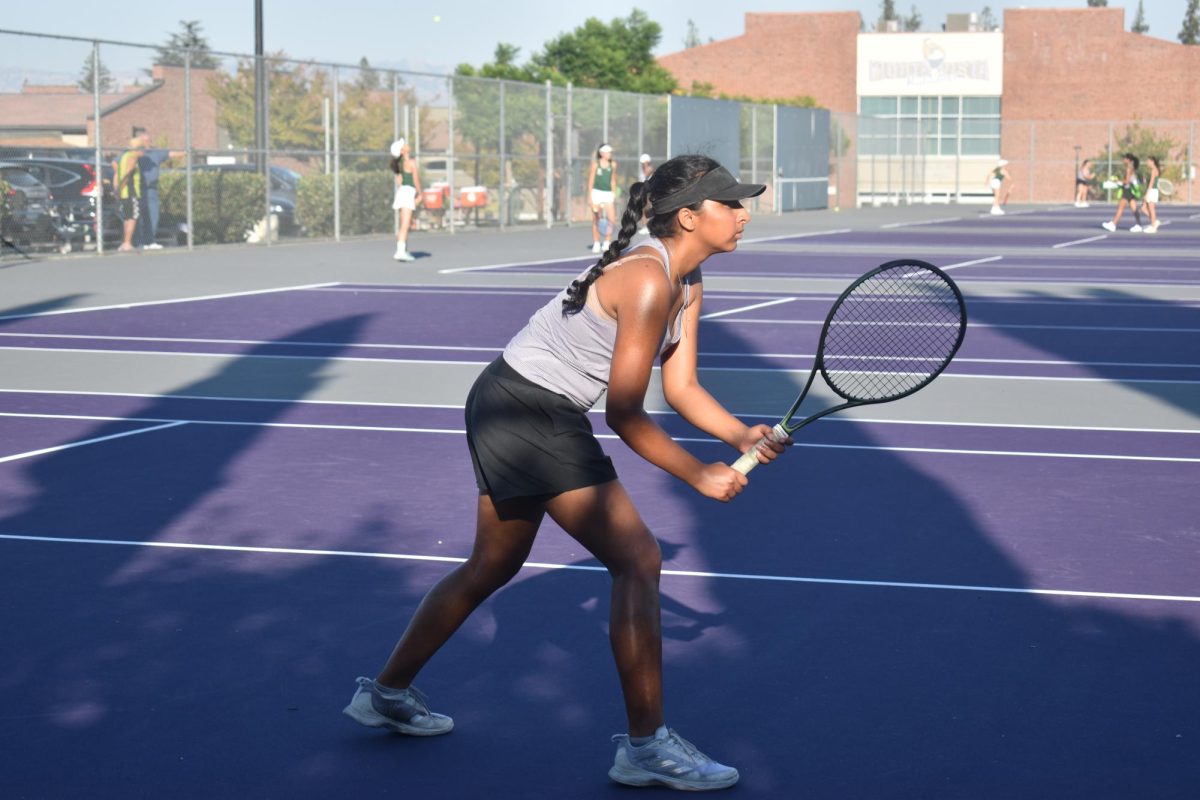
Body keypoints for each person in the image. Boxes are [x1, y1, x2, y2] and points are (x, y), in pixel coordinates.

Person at [343, 155, 788, 792]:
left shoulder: (687, 283)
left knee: (493, 564)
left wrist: (740, 434)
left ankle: (385, 694)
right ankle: (646, 748)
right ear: (689, 217)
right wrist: (698, 474)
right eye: (730, 204)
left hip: (507, 400)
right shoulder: (647, 281)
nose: (744, 214)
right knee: (638, 560)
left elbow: (683, 386)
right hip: (526, 408)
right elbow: (626, 413)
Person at [133, 127, 184, 250]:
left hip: (152, 190)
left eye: (149, 140)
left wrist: (186, 151)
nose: (149, 142)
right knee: (138, 217)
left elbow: (170, 153)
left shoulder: (156, 152)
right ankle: (138, 242)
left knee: (153, 216)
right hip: (139, 189)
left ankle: (149, 241)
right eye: (146, 140)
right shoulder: (135, 153)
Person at [389, 138, 423, 261]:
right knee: (405, 224)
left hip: (402, 193)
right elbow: (416, 180)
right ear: (402, 151)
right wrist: (420, 194)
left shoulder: (399, 165)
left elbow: (399, 182)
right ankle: (401, 252)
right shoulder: (411, 162)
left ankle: (401, 250)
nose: (407, 145)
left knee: (404, 223)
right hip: (408, 193)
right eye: (405, 145)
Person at [111, 137, 144, 252]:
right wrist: (120, 188)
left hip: (125, 193)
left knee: (127, 216)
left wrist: (117, 188)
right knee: (132, 217)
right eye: (142, 148)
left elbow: (118, 173)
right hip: (130, 192)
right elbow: (126, 174)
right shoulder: (132, 158)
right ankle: (127, 242)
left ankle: (125, 241)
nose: (143, 151)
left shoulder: (124, 157)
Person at [1101, 153, 1144, 232]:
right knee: (1134, 208)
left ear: (1128, 160)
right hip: (1130, 190)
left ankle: (1113, 224)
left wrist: (1117, 181)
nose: (1123, 160)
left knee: (1120, 208)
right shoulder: (1132, 168)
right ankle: (1139, 224)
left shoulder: (1129, 168)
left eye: (1124, 158)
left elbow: (1127, 181)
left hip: (1127, 190)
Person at [588, 143, 618, 253]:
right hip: (596, 193)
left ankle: (607, 242)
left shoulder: (613, 164)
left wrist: (614, 194)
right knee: (596, 219)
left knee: (612, 219)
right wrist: (590, 197)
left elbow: (613, 180)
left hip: (608, 194)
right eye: (608, 152)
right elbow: (591, 180)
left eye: (610, 152)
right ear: (602, 153)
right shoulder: (595, 165)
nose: (610, 154)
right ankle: (596, 242)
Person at [1142, 156, 1162, 233]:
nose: (1147, 162)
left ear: (1152, 161)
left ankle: (1153, 226)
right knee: (1143, 208)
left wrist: (1147, 194)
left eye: (1148, 161)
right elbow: (1148, 182)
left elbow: (1151, 183)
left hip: (1152, 191)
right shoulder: (1151, 170)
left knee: (1151, 209)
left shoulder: (1154, 170)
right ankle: (1155, 222)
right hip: (1151, 190)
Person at [637, 154, 654, 235]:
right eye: (643, 163)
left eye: (646, 163)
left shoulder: (650, 170)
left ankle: (649, 226)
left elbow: (648, 178)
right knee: (643, 209)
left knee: (648, 209)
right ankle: (645, 226)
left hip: (650, 192)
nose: (644, 165)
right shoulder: (642, 171)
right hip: (644, 192)